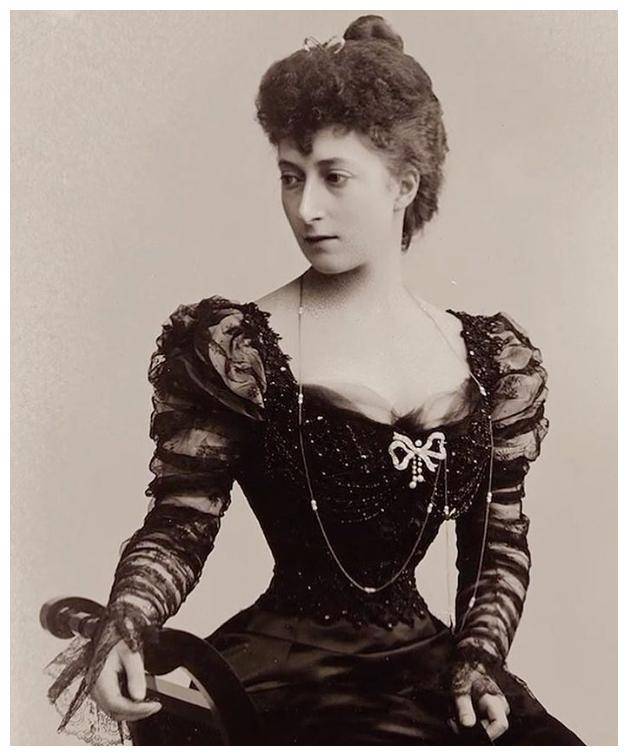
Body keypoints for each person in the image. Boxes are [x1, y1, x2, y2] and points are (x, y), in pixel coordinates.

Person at [46, 15, 584, 746]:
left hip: (427, 672)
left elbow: (497, 545)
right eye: (290, 177)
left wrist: (479, 661)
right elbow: (181, 523)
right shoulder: (237, 349)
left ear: (404, 185)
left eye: (334, 177)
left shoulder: (492, 362)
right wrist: (127, 623)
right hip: (286, 675)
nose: (306, 208)